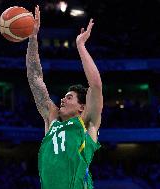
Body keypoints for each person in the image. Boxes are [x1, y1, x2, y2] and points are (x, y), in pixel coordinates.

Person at [26, 6, 103, 189]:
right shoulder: (52, 119)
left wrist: (80, 46)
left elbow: (96, 86)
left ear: (81, 107)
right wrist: (33, 37)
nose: (62, 100)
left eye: (69, 98)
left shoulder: (87, 123)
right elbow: (35, 78)